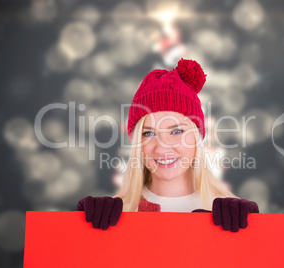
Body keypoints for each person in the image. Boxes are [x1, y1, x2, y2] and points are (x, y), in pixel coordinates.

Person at [76, 58, 259, 233]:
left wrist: (249, 238)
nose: (162, 148)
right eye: (148, 133)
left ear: (197, 137)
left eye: (176, 131)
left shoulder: (228, 215)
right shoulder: (115, 215)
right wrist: (83, 233)